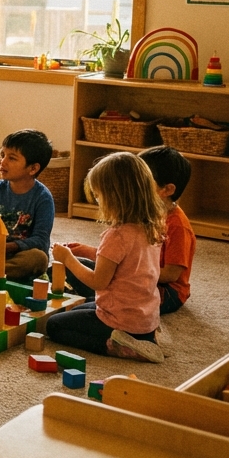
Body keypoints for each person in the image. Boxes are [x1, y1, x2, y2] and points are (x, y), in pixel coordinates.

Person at [47, 152, 165, 363]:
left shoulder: (117, 235)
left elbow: (98, 281)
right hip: (143, 315)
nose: (98, 201)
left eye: (98, 195)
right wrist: (88, 251)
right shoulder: (150, 227)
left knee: (54, 325)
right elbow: (127, 262)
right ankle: (146, 336)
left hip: (119, 318)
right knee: (80, 308)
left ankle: (117, 346)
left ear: (115, 196)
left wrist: (67, 259)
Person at [0, 129, 55, 281]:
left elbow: (40, 239)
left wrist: (12, 246)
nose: (2, 162)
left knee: (38, 259)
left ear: (33, 168)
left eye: (12, 158)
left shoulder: (43, 197)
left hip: (22, 253)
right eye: (2, 155)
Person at [140, 146, 194, 314]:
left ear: (167, 190)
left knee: (113, 296)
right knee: (78, 264)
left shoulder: (178, 226)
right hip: (142, 276)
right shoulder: (145, 211)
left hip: (169, 291)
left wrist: (131, 269)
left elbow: (171, 275)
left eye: (142, 180)